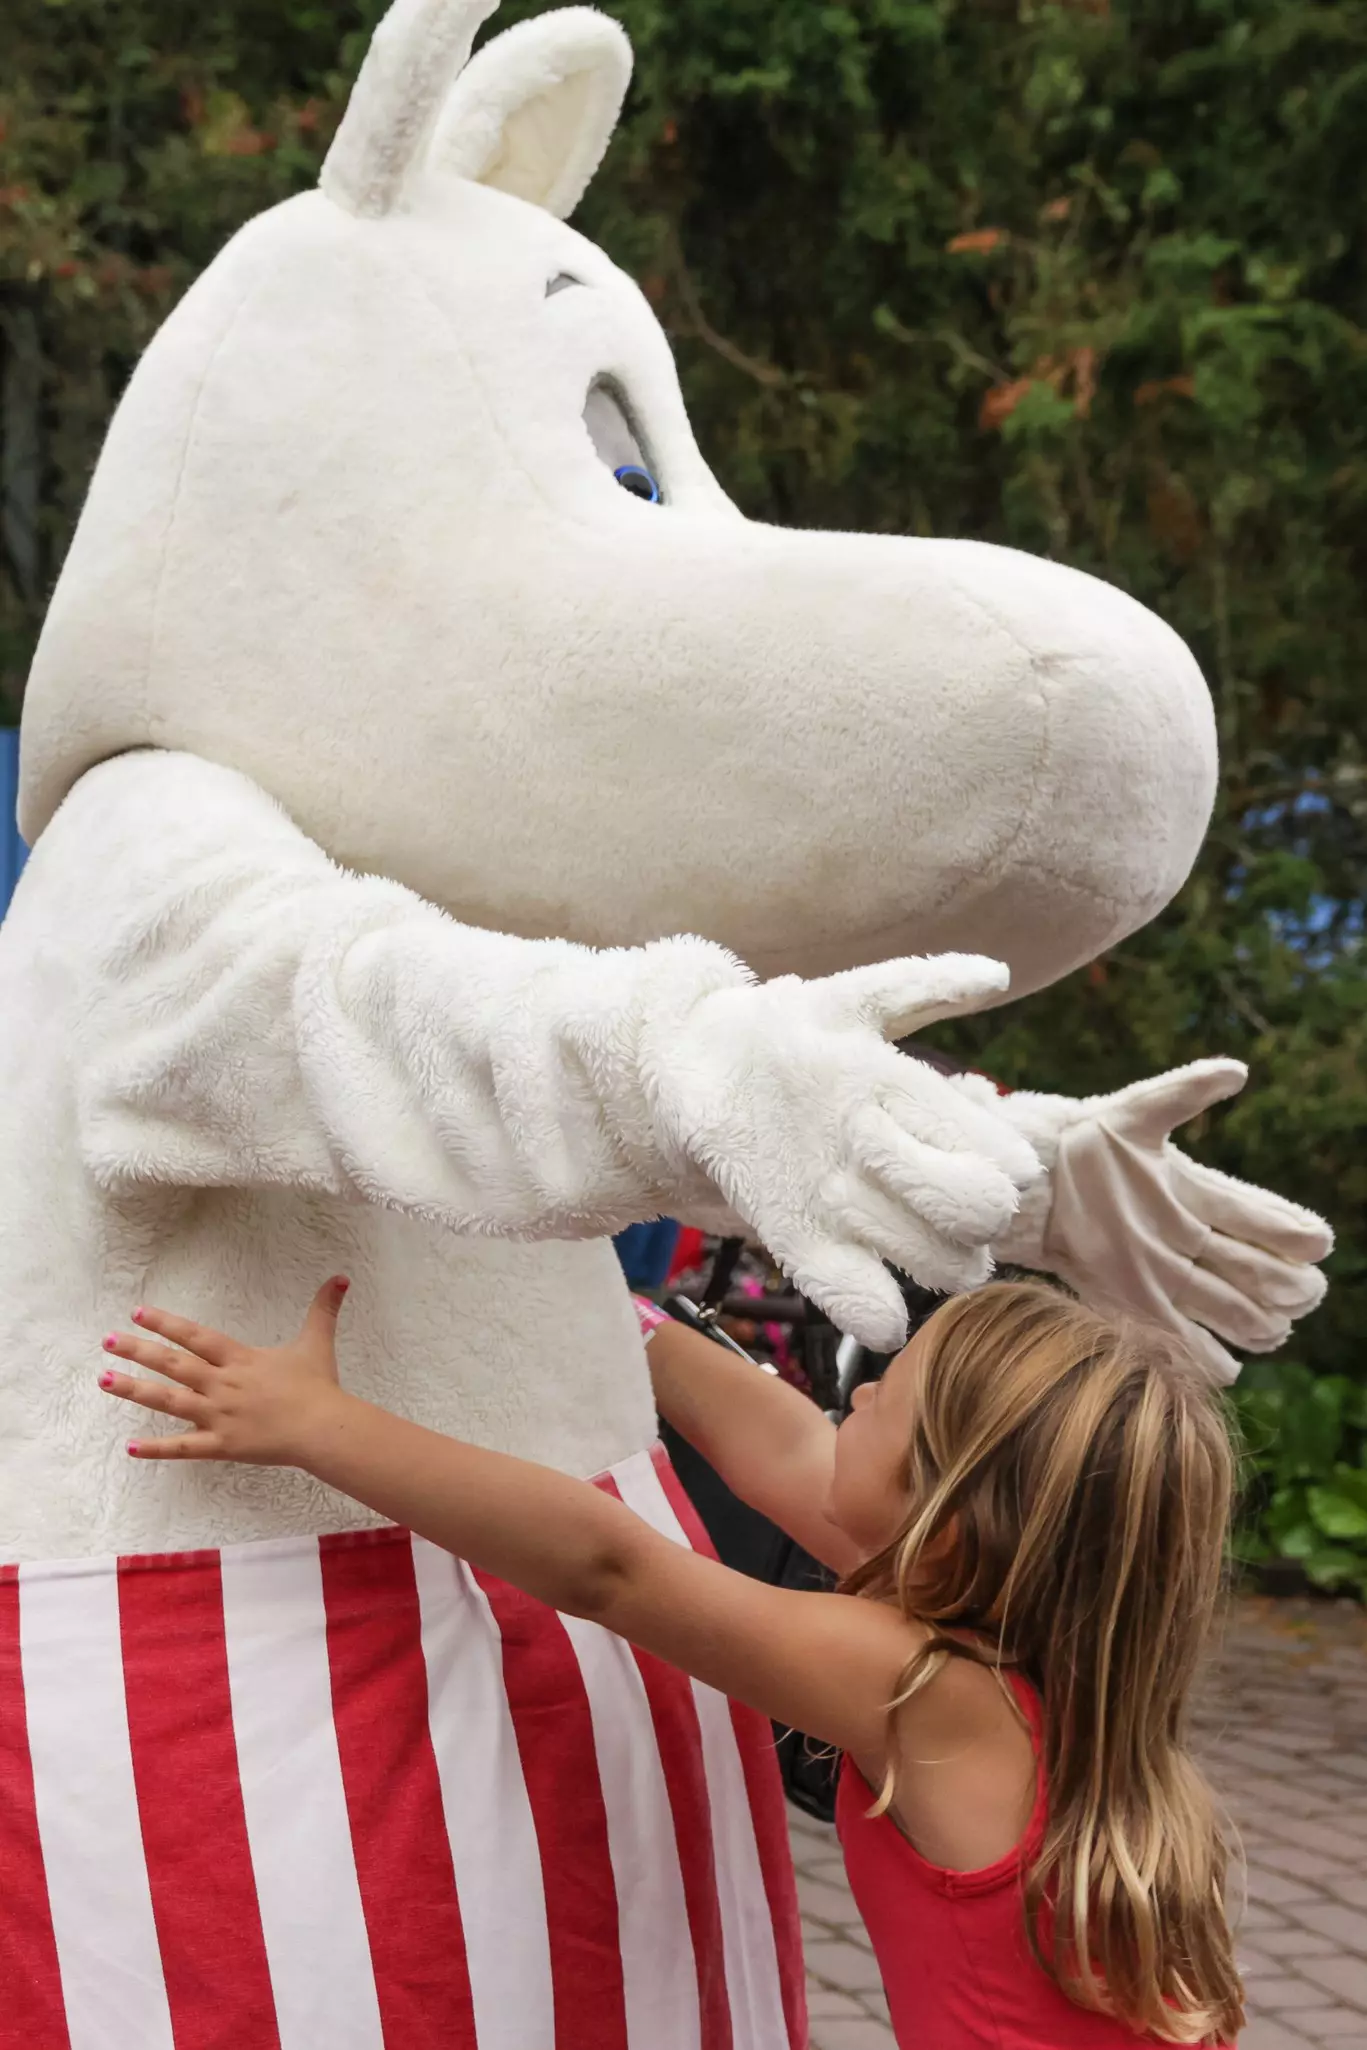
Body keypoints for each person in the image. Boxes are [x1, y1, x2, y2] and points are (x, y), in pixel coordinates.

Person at [98, 1275, 1244, 2048]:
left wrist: (317, 1424)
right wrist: (597, 1299)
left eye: (884, 1399)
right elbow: (781, 1444)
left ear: (943, 1518)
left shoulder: (924, 1687)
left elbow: (613, 1571)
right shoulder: (1001, 1632)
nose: (855, 1390)